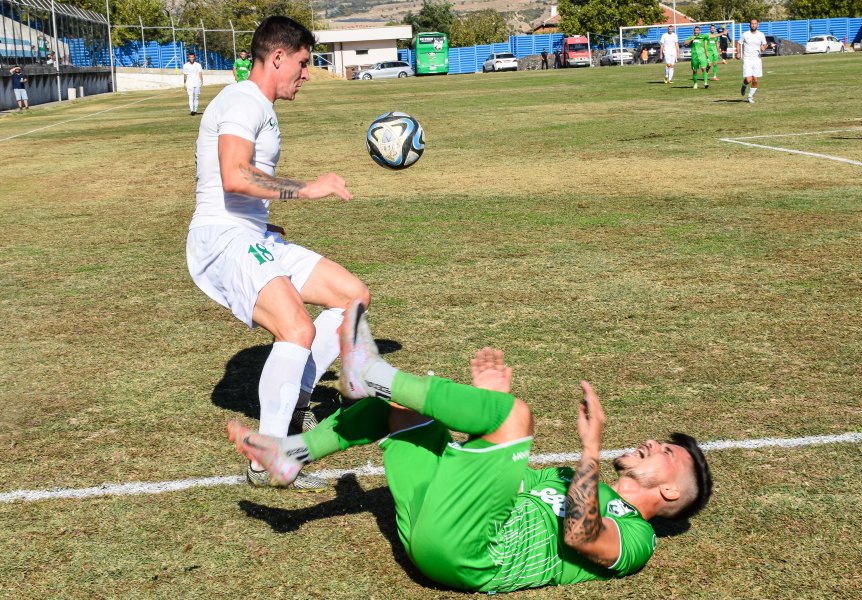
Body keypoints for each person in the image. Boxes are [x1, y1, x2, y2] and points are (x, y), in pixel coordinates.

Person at [227, 300, 714, 593]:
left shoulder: (638, 540)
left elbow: (581, 539)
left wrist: (588, 449)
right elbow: (479, 475)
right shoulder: (560, 480)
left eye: (668, 453)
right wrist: (484, 406)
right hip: (429, 522)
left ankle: (370, 372)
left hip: (471, 555)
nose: (654, 443)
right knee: (416, 408)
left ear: (670, 494)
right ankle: (294, 453)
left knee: (516, 415)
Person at [187, 16, 369, 491]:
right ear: (278, 57)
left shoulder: (259, 105)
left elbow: (239, 183)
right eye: (303, 64)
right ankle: (269, 454)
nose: (306, 75)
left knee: (352, 297)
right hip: (224, 238)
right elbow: (234, 175)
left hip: (250, 232)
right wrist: (308, 189)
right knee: (297, 328)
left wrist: (263, 221)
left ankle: (299, 404)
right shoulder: (242, 100)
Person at [737, 19, 767, 104]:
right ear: (749, 25)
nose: (753, 25)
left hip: (757, 59)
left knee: (755, 80)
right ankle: (744, 84)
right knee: (749, 79)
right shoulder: (745, 34)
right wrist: (738, 53)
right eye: (752, 24)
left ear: (757, 25)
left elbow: (765, 44)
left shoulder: (761, 34)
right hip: (747, 59)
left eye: (755, 24)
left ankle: (750, 96)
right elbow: (739, 43)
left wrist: (764, 47)